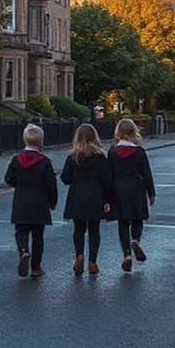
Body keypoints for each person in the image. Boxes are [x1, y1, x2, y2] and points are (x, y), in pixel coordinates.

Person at [4, 124, 58, 278]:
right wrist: (52, 202)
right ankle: (36, 267)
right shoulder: (45, 161)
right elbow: (51, 184)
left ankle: (23, 251)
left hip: (21, 200)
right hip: (39, 202)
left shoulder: (16, 159)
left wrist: (19, 185)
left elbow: (8, 179)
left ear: (24, 140)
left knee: (21, 231)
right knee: (38, 235)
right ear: (41, 141)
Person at [60, 123, 111, 275]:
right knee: (94, 231)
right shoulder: (100, 158)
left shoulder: (72, 157)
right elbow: (106, 180)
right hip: (96, 196)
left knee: (79, 230)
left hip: (77, 196)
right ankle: (93, 262)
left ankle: (79, 256)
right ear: (95, 138)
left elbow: (64, 178)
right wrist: (108, 199)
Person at [107, 118, 156, 272]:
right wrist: (151, 192)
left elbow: (108, 175)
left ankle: (127, 254)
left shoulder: (112, 151)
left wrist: (106, 197)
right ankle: (135, 240)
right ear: (134, 132)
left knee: (123, 224)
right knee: (137, 219)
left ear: (118, 133)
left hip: (118, 189)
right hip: (136, 188)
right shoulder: (140, 152)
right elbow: (146, 173)